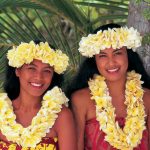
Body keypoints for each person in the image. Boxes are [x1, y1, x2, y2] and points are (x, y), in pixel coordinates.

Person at [70, 23, 150, 150]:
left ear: (128, 54)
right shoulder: (80, 100)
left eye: (117, 53)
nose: (111, 62)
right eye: (102, 55)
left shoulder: (147, 98)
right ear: (94, 59)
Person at [0, 41, 77, 150]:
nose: (39, 77)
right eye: (32, 68)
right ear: (17, 70)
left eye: (47, 71)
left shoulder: (61, 116)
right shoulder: (1, 112)